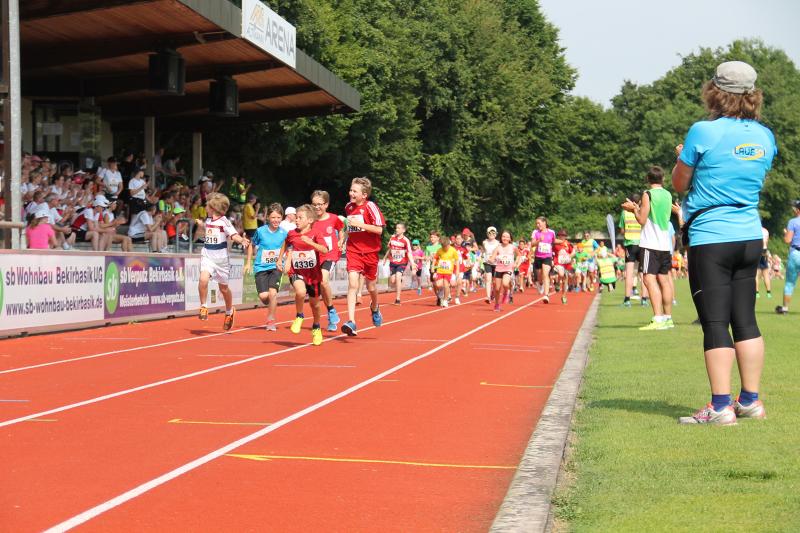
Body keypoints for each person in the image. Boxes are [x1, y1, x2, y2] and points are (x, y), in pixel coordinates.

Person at [672, 61, 777, 424]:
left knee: (715, 323)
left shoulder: (703, 131)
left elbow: (680, 183)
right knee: (746, 320)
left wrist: (682, 158)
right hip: (749, 235)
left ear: (714, 92)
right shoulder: (765, 136)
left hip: (712, 237)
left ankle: (719, 407)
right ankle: (750, 401)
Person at [622, 166, 675, 331]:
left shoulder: (648, 194)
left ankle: (657, 318)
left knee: (648, 279)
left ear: (648, 179)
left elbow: (642, 220)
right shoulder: (668, 194)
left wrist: (634, 209)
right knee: (664, 280)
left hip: (651, 244)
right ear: (663, 179)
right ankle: (668, 318)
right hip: (664, 244)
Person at [194, 193, 251, 330]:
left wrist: (241, 240)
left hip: (221, 261)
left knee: (223, 289)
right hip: (207, 256)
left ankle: (229, 312)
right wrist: (201, 224)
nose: (205, 207)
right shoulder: (208, 219)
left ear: (213, 208)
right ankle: (203, 306)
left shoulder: (224, 222)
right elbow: (209, 228)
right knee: (203, 279)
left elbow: (234, 235)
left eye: (207, 205)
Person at [340, 177, 385, 336]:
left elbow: (379, 230)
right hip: (353, 251)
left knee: (371, 287)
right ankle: (351, 321)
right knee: (352, 284)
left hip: (370, 252)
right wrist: (343, 239)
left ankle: (375, 307)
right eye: (351, 190)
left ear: (364, 195)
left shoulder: (370, 206)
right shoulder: (348, 207)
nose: (351, 193)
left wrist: (360, 225)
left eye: (355, 191)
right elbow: (348, 226)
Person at [284, 204, 329, 346]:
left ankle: (316, 327)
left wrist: (311, 243)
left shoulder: (316, 234)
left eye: (300, 218)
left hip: (313, 274)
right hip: (296, 271)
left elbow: (325, 250)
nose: (296, 220)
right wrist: (283, 260)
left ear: (309, 220)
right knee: (300, 292)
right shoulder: (291, 233)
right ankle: (299, 315)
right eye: (296, 217)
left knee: (315, 305)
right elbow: (286, 246)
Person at [244, 203, 288, 331]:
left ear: (282, 217)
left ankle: (271, 320)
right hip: (261, 267)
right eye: (273, 217)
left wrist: (286, 261)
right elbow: (252, 245)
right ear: (268, 217)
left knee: (273, 293)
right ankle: (271, 302)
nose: (276, 220)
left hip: (276, 267)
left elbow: (288, 248)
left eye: (278, 217)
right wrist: (248, 262)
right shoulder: (260, 231)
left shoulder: (284, 233)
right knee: (264, 297)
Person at [310, 191, 346, 331]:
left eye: (320, 204)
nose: (317, 207)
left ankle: (331, 310)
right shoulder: (310, 220)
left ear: (326, 204)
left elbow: (341, 230)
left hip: (330, 255)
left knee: (323, 281)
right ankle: (331, 313)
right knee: (320, 289)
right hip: (315, 257)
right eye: (314, 204)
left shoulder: (334, 218)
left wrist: (341, 240)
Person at [775, 200, 800, 315]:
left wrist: (786, 233)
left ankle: (785, 308)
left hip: (796, 254)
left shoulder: (793, 222)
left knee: (790, 283)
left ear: (797, 210)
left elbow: (787, 240)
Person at [383, 223, 415, 305]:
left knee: (398, 276)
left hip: (402, 262)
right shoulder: (392, 237)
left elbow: (409, 253)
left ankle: (398, 299)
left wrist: (412, 263)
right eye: (396, 228)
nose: (397, 229)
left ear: (403, 230)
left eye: (399, 228)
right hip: (393, 262)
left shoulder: (406, 240)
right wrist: (385, 258)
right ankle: (399, 280)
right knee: (392, 281)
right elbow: (390, 249)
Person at [489, 230, 516, 311]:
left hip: (508, 269)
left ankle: (506, 293)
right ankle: (497, 304)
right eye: (503, 236)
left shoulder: (513, 247)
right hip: (499, 269)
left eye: (507, 237)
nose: (505, 238)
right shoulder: (498, 247)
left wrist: (516, 263)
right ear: (501, 238)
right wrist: (490, 260)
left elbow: (519, 255)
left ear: (510, 239)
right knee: (497, 289)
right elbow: (492, 257)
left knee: (505, 283)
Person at [531, 217, 556, 303]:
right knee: (539, 277)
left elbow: (554, 241)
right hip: (538, 257)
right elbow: (532, 244)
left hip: (547, 257)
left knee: (545, 274)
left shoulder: (552, 232)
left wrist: (563, 242)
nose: (537, 225)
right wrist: (539, 240)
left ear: (544, 222)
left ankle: (546, 295)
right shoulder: (535, 232)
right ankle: (540, 283)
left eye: (539, 223)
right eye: (536, 223)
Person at [432, 235, 461, 307]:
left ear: (448, 244)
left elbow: (457, 260)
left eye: (446, 246)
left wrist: (457, 270)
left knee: (446, 285)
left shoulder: (453, 250)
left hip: (448, 271)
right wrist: (433, 267)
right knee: (438, 284)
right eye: (443, 247)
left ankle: (445, 300)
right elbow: (435, 258)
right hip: (440, 270)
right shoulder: (439, 250)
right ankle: (441, 293)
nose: (445, 248)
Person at [552, 230, 575, 304]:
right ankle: (558, 283)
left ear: (565, 236)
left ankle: (564, 296)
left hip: (566, 263)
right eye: (560, 235)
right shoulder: (555, 244)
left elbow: (573, 252)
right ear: (558, 236)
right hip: (558, 262)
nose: (562, 237)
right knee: (561, 274)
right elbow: (551, 251)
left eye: (563, 235)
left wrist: (569, 256)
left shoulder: (568, 244)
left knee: (565, 279)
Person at [482, 226, 500, 303]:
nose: (491, 234)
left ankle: (493, 292)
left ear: (496, 234)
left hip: (496, 263)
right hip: (487, 263)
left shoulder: (498, 243)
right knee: (488, 279)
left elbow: (499, 253)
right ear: (487, 233)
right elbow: (484, 251)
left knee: (495, 282)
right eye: (490, 233)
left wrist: (495, 257)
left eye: (493, 233)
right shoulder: (484, 242)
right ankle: (488, 297)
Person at [755, 227, 772, 299]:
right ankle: (768, 293)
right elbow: (766, 242)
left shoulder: (755, 229)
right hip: (764, 250)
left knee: (756, 273)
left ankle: (757, 293)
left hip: (758, 250)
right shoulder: (766, 231)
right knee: (766, 273)